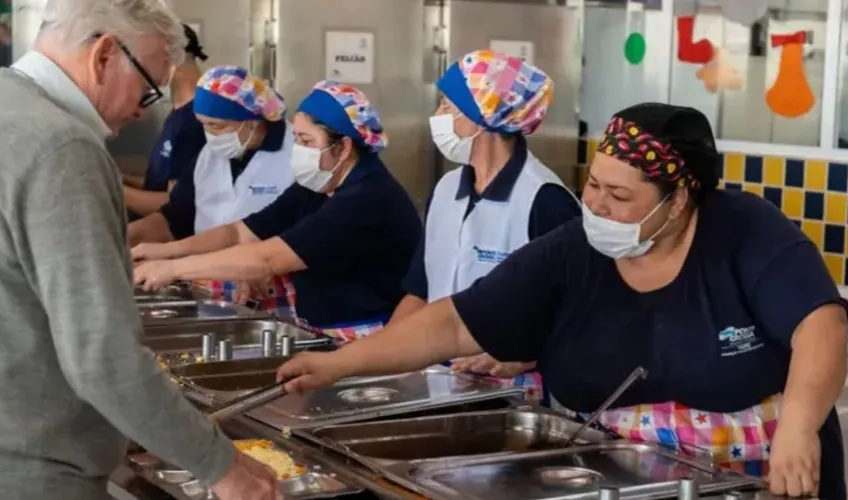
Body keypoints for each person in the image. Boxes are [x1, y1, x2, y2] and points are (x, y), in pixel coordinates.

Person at [277, 103, 847, 499]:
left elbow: (821, 324)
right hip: (614, 476)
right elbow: (454, 323)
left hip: (756, 478)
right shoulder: (576, 247)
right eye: (594, 183)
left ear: (679, 202)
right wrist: (338, 364)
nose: (596, 204)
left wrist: (798, 430)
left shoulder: (745, 231)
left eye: (620, 195)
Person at [0, 1, 280, 499]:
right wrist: (221, 465)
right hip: (28, 475)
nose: (141, 108)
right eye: (148, 86)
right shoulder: (63, 148)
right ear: (105, 53)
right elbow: (101, 355)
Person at [133, 81, 422, 341]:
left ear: (344, 147)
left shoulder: (366, 197)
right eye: (296, 139)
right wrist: (161, 253)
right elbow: (240, 231)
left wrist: (173, 268)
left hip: (369, 331)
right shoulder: (319, 185)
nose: (298, 150)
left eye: (307, 142)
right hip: (322, 324)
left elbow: (269, 258)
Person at [390, 50, 579, 390]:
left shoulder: (545, 199)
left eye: (447, 105)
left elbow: (576, 311)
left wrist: (525, 354)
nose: (437, 115)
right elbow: (421, 290)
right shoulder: (446, 190)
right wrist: (380, 356)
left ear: (482, 116)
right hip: (440, 377)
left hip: (512, 391)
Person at [129, 64, 295, 311]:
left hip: (276, 284)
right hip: (211, 282)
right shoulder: (209, 155)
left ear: (250, 121)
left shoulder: (296, 154)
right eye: (203, 125)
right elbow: (177, 217)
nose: (209, 135)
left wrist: (173, 262)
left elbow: (301, 233)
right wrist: (126, 237)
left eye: (216, 126)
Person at [123, 24, 208, 219]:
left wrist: (117, 192)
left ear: (175, 54)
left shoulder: (197, 118)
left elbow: (176, 201)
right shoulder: (177, 110)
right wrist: (118, 178)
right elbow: (157, 181)